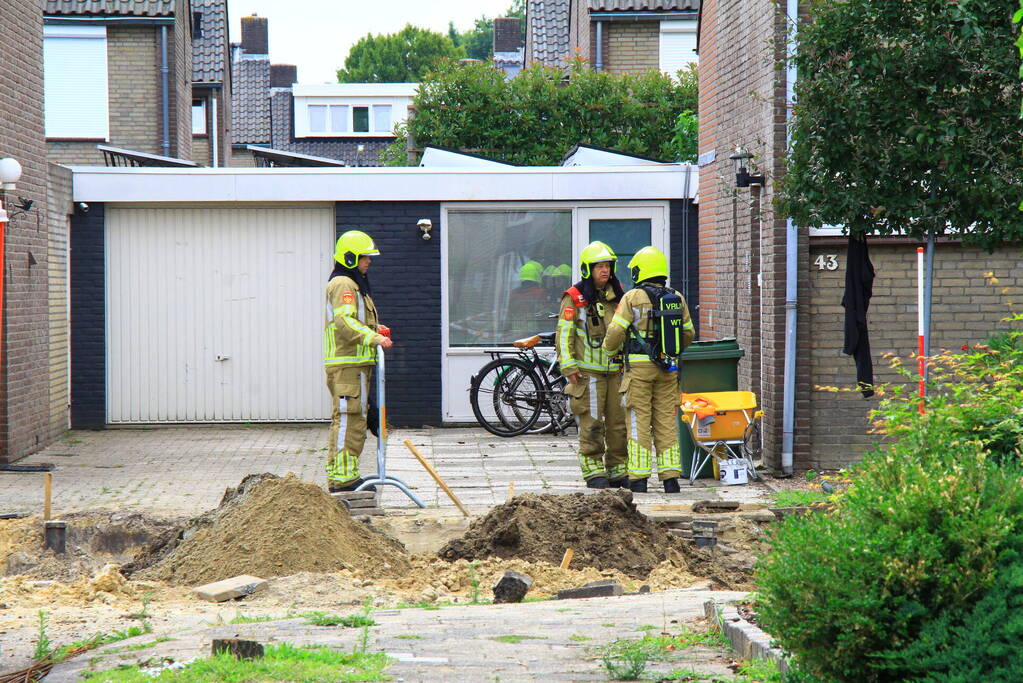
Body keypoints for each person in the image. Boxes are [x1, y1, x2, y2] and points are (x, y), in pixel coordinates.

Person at [602, 246, 695, 493]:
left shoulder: (632, 297)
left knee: (638, 421)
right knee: (666, 422)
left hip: (639, 371)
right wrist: (671, 352)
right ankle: (671, 480)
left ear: (639, 271)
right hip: (668, 369)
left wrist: (609, 352)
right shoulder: (677, 297)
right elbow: (688, 333)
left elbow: (615, 332)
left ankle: (639, 480)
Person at [323, 230, 393, 492]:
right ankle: (341, 480)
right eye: (365, 257)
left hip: (356, 365)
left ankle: (348, 475)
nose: (369, 262)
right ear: (351, 257)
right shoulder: (344, 284)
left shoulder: (354, 284)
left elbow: (356, 320)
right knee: (348, 419)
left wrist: (375, 328)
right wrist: (373, 337)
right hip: (347, 364)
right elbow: (344, 322)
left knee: (356, 421)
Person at [557, 242, 629, 488]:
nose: (605, 270)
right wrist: (569, 368)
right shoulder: (574, 298)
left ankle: (619, 470)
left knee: (619, 426)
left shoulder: (619, 296)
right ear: (588, 269)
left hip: (616, 374)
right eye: (599, 266)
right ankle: (593, 471)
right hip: (588, 375)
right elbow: (564, 335)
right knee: (592, 424)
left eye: (608, 265)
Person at [506, 260, 548, 338]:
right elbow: (544, 312)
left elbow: (509, 312)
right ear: (538, 275)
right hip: (532, 333)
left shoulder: (513, 294)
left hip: (515, 331)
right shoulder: (540, 293)